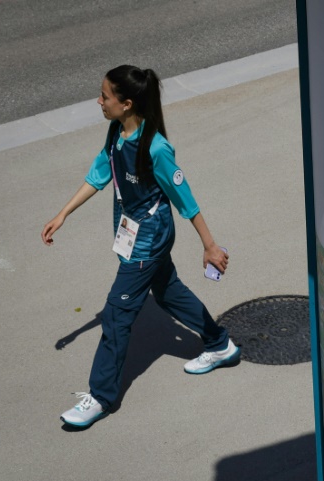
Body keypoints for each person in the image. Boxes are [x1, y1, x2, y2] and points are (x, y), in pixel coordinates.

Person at [42, 65, 240, 428]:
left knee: (117, 314)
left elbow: (185, 199)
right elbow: (99, 174)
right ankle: (220, 344)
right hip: (134, 231)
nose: (98, 101)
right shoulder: (116, 132)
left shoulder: (157, 148)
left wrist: (210, 246)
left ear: (127, 103)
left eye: (105, 95)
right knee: (167, 291)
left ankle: (100, 396)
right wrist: (63, 214)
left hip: (149, 238)